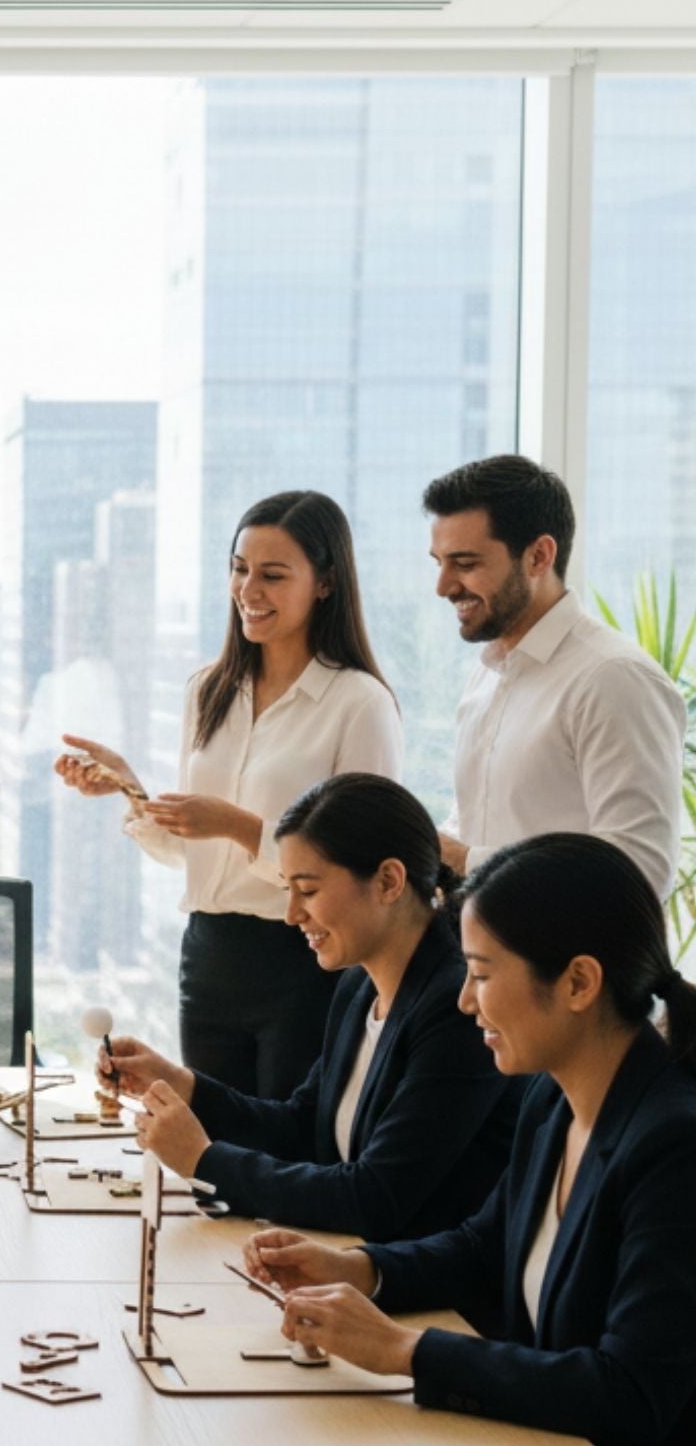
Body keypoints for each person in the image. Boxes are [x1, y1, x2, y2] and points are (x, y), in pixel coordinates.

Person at [244, 833, 696, 1446]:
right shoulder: (553, 1096)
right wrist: (359, 1268)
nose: (462, 1001)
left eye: (481, 973)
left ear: (579, 983)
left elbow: (632, 1391)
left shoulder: (674, 1143)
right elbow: (485, 1248)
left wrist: (405, 1351)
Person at [57, 490, 402, 1097]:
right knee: (214, 1154)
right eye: (239, 569)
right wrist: (128, 787)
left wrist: (238, 826)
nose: (249, 590)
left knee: (283, 1155)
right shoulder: (208, 689)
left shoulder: (359, 703)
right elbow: (196, 853)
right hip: (209, 955)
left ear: (325, 583)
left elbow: (363, 869)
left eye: (272, 575)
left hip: (305, 959)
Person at [106, 773, 517, 1243]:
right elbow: (303, 1127)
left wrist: (203, 1161)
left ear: (388, 881)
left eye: (308, 890)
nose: (292, 914)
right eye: (288, 890)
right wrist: (183, 1086)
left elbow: (375, 1196)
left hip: (430, 1296)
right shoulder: (358, 985)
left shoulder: (457, 1007)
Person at [426, 454, 686, 900]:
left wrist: (465, 858)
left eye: (465, 564)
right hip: (485, 960)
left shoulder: (614, 679)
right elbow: (477, 821)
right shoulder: (487, 675)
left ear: (539, 556)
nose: (444, 586)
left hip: (574, 967)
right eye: (439, 563)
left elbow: (639, 871)